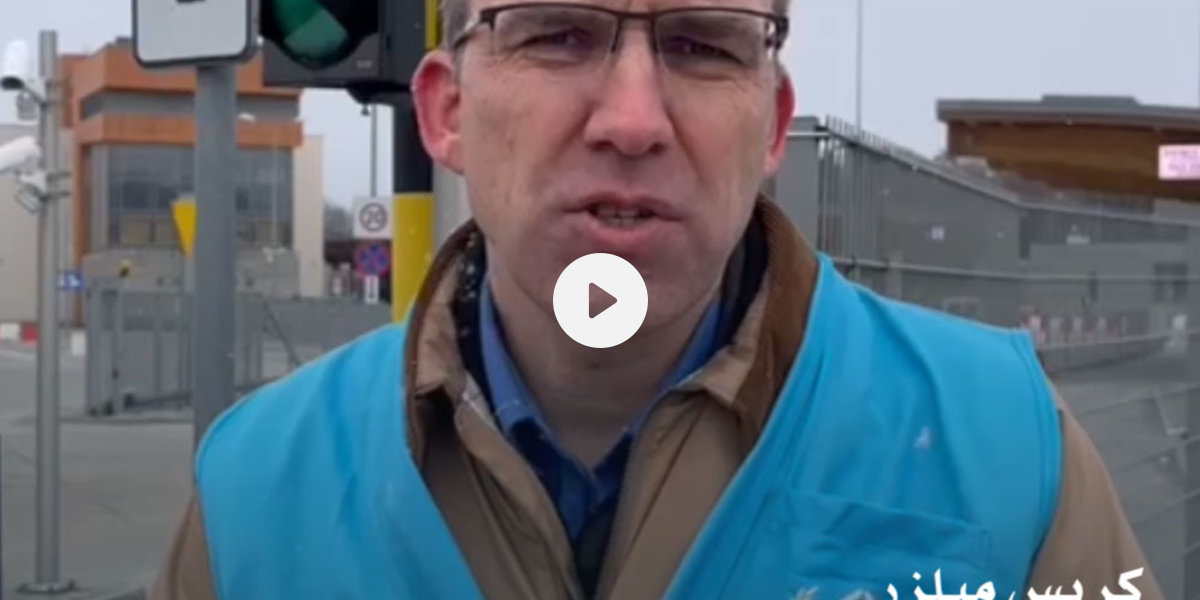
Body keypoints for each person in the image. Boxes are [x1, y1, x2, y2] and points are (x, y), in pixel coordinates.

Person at [151, 1, 1164, 599]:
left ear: (772, 127)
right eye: (557, 34)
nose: (633, 120)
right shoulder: (256, 488)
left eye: (702, 44)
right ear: (447, 113)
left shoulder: (1008, 447)